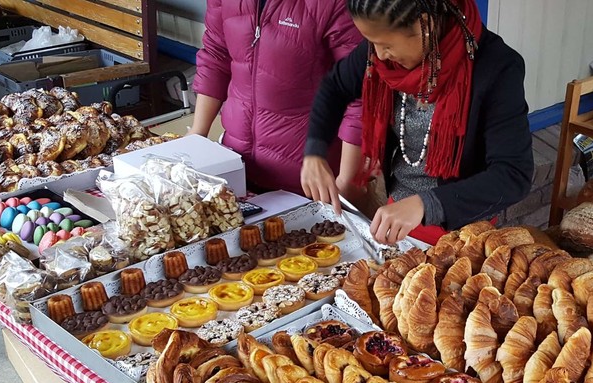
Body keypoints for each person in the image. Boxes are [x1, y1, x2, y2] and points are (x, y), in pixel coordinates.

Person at [301, 0, 533, 245]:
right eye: (373, 43)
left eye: (387, 45)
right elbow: (334, 87)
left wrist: (426, 203)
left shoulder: (497, 67)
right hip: (396, 220)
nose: (379, 55)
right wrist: (315, 151)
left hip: (463, 233)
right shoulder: (379, 56)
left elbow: (513, 174)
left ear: (425, 25)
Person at [190, 0, 364, 195]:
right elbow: (216, 55)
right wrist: (198, 133)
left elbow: (359, 91)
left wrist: (347, 179)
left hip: (307, 179)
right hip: (236, 165)